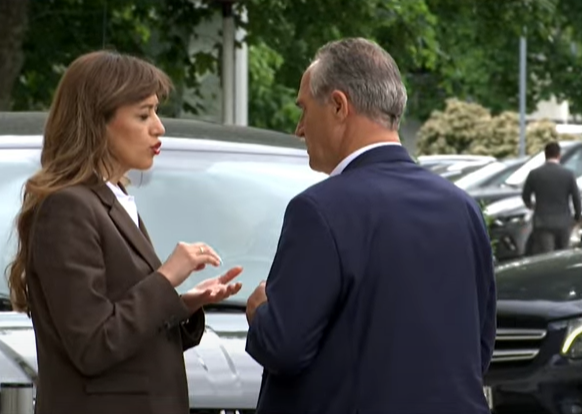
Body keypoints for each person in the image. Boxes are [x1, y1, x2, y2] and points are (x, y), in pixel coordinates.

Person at [245, 38, 496, 414]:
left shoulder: (319, 210)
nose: (299, 129)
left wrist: (260, 312)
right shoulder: (462, 207)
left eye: (304, 109)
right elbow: (479, 346)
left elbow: (284, 346)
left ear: (338, 106)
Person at [5, 51, 243, 414]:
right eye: (144, 115)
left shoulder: (112, 197)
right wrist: (166, 277)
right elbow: (92, 345)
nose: (159, 127)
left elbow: (128, 333)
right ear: (97, 121)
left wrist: (182, 304)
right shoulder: (67, 207)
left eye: (156, 113)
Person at [522, 141, 581, 254]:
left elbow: (525, 196)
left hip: (542, 221)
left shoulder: (535, 174)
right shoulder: (568, 174)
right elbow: (576, 197)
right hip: (564, 221)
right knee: (563, 253)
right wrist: (577, 217)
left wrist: (532, 206)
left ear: (545, 154)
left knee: (546, 254)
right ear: (559, 155)